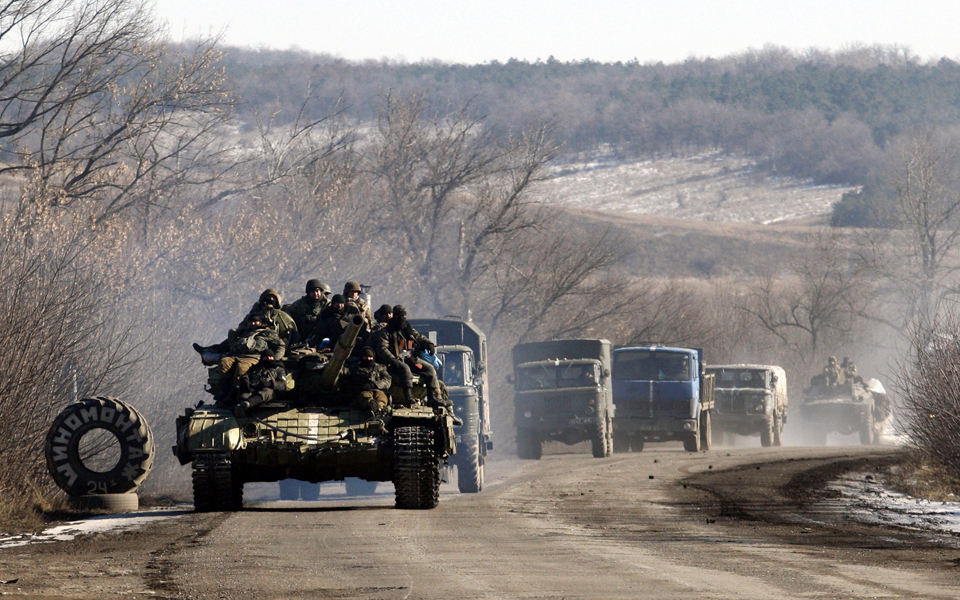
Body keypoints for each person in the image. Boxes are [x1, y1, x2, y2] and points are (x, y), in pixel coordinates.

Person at [368, 305, 445, 408]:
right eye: (399, 316)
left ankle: (434, 398)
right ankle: (408, 397)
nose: (401, 319)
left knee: (429, 368)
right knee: (405, 369)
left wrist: (428, 343)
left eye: (403, 316)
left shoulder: (407, 329)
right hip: (393, 362)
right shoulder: (386, 331)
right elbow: (382, 348)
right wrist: (392, 359)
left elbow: (418, 337)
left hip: (410, 359)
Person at [216, 313, 285, 404]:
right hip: (238, 355)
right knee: (224, 362)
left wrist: (273, 359)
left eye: (256, 321)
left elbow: (281, 345)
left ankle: (234, 393)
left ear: (261, 323)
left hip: (254, 356)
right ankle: (224, 391)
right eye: (251, 322)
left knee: (242, 368)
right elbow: (233, 338)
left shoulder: (267, 333)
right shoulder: (244, 333)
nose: (253, 324)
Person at [231, 352, 292, 417]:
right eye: (266, 357)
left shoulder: (279, 370)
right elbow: (245, 375)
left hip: (270, 392)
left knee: (266, 392)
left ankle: (246, 404)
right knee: (244, 393)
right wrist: (246, 380)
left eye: (270, 357)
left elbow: (283, 385)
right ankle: (240, 408)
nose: (268, 358)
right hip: (253, 388)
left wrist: (270, 384)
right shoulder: (255, 368)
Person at [339, 346, 392, 416]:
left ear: (373, 357)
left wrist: (375, 385)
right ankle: (372, 406)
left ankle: (380, 409)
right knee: (365, 397)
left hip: (378, 389)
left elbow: (387, 378)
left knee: (381, 397)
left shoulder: (380, 368)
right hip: (362, 391)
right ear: (361, 357)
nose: (368, 359)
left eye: (370, 357)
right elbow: (344, 371)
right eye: (365, 357)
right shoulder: (355, 368)